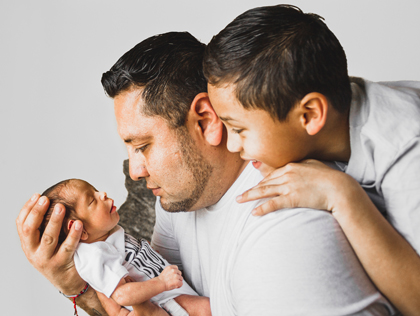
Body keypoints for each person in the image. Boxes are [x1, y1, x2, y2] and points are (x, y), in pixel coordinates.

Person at [17, 32, 396, 316]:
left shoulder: (282, 230)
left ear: (205, 120)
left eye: (143, 145)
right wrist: (75, 283)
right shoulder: (178, 200)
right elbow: (147, 301)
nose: (134, 170)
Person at [203, 4, 420, 316]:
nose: (232, 144)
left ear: (310, 114)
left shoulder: (406, 148)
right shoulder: (333, 115)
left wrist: (341, 195)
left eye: (238, 129)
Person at [39, 178, 208, 316]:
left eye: (96, 190)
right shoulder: (93, 255)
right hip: (165, 305)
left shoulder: (105, 240)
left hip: (170, 297)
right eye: (92, 200)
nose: (102, 194)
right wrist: (162, 282)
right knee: (210, 309)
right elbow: (121, 295)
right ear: (79, 229)